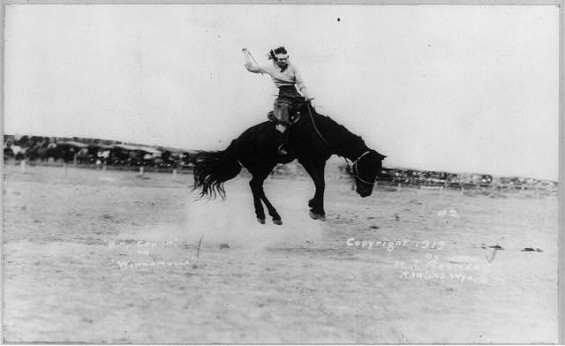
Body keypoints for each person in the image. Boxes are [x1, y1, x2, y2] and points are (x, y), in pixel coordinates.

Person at [242, 46, 312, 138]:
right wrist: (246, 54)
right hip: (283, 96)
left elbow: (300, 82)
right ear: (275, 59)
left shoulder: (293, 67)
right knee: (284, 114)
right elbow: (250, 68)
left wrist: (306, 95)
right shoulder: (269, 66)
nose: (284, 61)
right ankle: (282, 142)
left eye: (285, 58)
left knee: (309, 111)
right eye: (281, 59)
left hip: (295, 95)